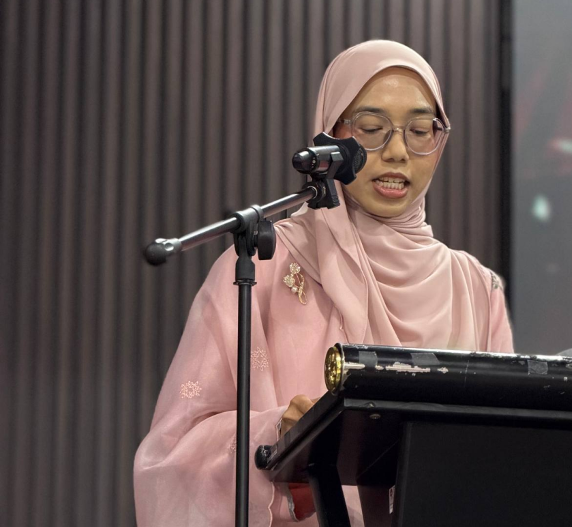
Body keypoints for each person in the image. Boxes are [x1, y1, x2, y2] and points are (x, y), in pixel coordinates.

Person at [133, 40, 515, 526]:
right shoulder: (262, 266)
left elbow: (506, 454)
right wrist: (277, 436)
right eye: (372, 130)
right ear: (330, 137)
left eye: (421, 131)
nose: (398, 152)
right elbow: (173, 452)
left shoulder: (477, 290)